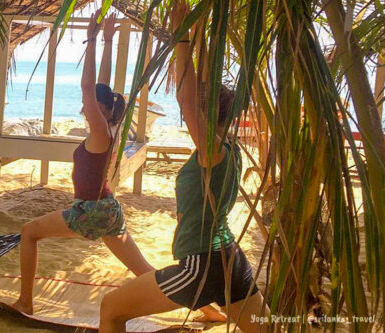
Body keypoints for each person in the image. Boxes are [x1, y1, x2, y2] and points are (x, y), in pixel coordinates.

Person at [97, 2, 270, 332]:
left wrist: (181, 34)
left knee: (111, 309)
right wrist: (196, 29)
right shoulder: (228, 148)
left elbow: (187, 99)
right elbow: (198, 87)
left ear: (206, 112)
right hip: (228, 258)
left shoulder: (213, 149)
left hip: (201, 264)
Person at [10, 10, 154, 315]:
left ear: (99, 108)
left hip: (90, 210)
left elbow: (90, 88)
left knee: (29, 232)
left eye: (90, 106)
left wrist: (90, 39)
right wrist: (108, 40)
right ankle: (203, 306)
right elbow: (102, 86)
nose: (85, 108)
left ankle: (25, 301)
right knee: (143, 269)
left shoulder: (101, 129)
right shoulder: (111, 122)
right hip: (109, 209)